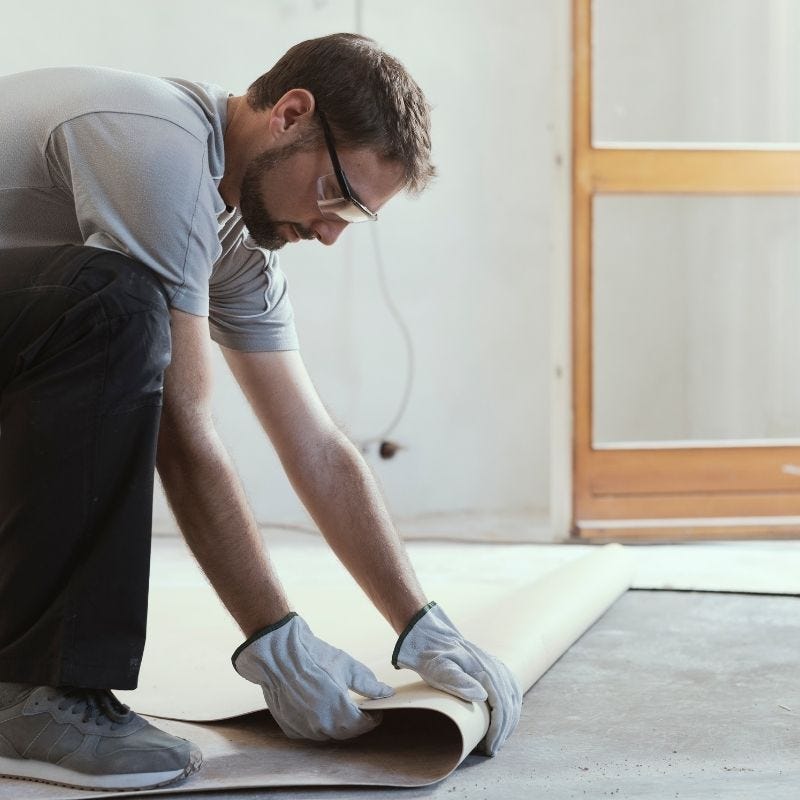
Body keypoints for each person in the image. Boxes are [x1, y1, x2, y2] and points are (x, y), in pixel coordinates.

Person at [0, 33, 522, 792]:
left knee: (107, 313)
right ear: (290, 114)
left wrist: (419, 623)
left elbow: (314, 442)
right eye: (336, 196)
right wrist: (273, 638)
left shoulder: (237, 243)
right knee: (115, 309)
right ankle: (32, 697)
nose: (333, 232)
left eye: (358, 217)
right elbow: (183, 430)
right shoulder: (159, 148)